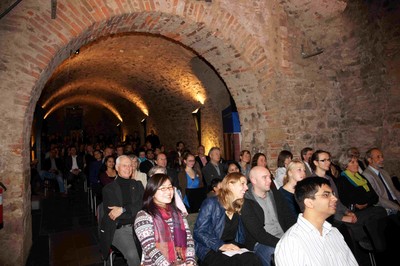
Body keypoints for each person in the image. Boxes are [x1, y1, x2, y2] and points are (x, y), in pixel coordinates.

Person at [275, 177, 358, 266]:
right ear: (309, 203)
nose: (335, 198)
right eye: (326, 195)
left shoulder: (334, 232)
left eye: (333, 194)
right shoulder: (291, 243)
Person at [193, 172, 262, 266]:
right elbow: (199, 232)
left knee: (253, 259)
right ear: (230, 185)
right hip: (210, 249)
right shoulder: (211, 203)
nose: (246, 188)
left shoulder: (238, 206)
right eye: (242, 184)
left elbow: (247, 231)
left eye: (246, 184)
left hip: (232, 247)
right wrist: (220, 245)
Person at [134, 174, 197, 266]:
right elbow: (151, 249)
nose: (168, 191)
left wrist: (190, 262)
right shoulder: (143, 216)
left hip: (182, 262)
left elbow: (189, 240)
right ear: (152, 192)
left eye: (170, 187)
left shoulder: (178, 213)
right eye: (163, 188)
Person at [241, 166, 296, 266]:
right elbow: (259, 235)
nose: (269, 180)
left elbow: (289, 218)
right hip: (261, 243)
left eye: (270, 177)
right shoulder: (246, 201)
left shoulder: (276, 194)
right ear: (253, 180)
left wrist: (293, 237)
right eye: (264, 177)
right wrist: (283, 243)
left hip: (284, 237)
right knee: (278, 258)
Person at [99, 155, 144, 266]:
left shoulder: (138, 185)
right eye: (124, 165)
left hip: (139, 226)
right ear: (117, 168)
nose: (128, 168)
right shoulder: (109, 189)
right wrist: (133, 209)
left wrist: (124, 209)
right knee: (133, 256)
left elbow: (143, 205)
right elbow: (116, 215)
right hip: (119, 229)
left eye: (130, 166)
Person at [362, 148, 400, 213]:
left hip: (395, 201)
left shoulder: (384, 172)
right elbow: (377, 198)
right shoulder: (366, 175)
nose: (382, 159)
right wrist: (397, 207)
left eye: (382, 156)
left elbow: (394, 190)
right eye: (378, 157)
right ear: (370, 160)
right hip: (385, 207)